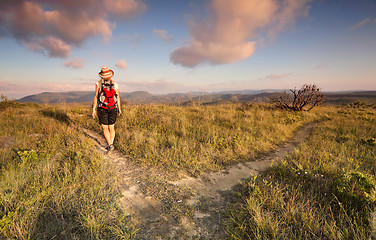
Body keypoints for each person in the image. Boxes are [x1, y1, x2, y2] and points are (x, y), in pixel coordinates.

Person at [92, 66, 122, 153]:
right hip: (113, 107)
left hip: (102, 107)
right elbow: (118, 97)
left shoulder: (98, 83)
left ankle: (110, 145)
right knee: (111, 128)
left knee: (105, 128)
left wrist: (94, 109)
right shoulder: (115, 84)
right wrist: (119, 108)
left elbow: (96, 97)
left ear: (101, 75)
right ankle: (111, 144)